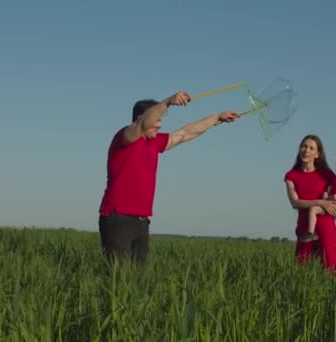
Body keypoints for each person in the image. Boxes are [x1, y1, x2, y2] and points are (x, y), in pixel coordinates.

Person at [98, 91, 240, 264]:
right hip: (117, 219)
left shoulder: (154, 142)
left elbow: (185, 133)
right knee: (116, 277)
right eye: (158, 120)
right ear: (142, 118)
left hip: (141, 221)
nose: (159, 125)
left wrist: (217, 117)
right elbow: (144, 123)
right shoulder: (126, 138)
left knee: (137, 280)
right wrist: (168, 102)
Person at [284, 134, 336, 273]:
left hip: (326, 225)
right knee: (301, 270)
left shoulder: (327, 174)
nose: (306, 150)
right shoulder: (291, 175)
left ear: (317, 154)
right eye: (304, 146)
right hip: (306, 227)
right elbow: (295, 202)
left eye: (311, 148)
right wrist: (319, 202)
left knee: (331, 269)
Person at [300, 153, 336, 242]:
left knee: (324, 219)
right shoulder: (334, 179)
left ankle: (325, 235)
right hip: (329, 203)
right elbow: (328, 189)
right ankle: (311, 233)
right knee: (312, 209)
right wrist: (325, 194)